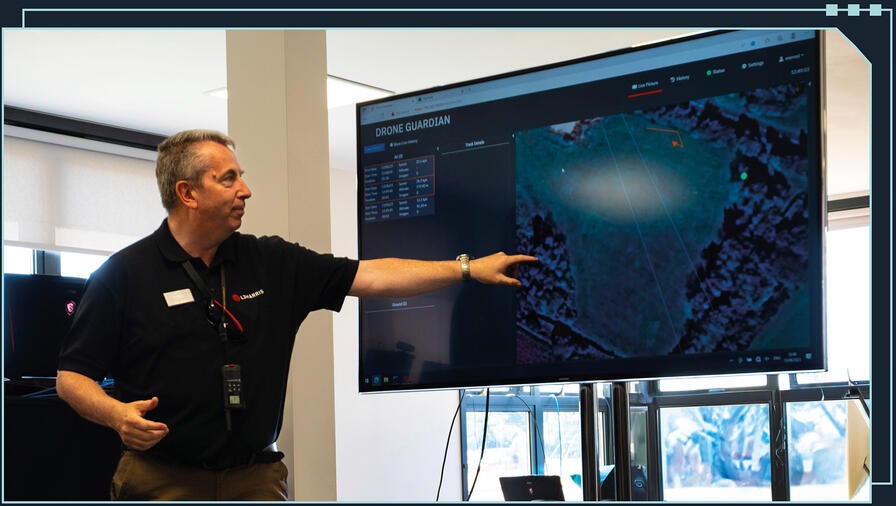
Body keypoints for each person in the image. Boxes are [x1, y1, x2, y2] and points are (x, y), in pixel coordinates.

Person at [55, 129, 537, 501]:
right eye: (228, 179)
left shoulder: (272, 262)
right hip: (161, 480)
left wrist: (468, 269)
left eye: (240, 175)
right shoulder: (123, 274)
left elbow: (371, 276)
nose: (246, 190)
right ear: (188, 193)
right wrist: (117, 415)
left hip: (255, 479)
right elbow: (71, 377)